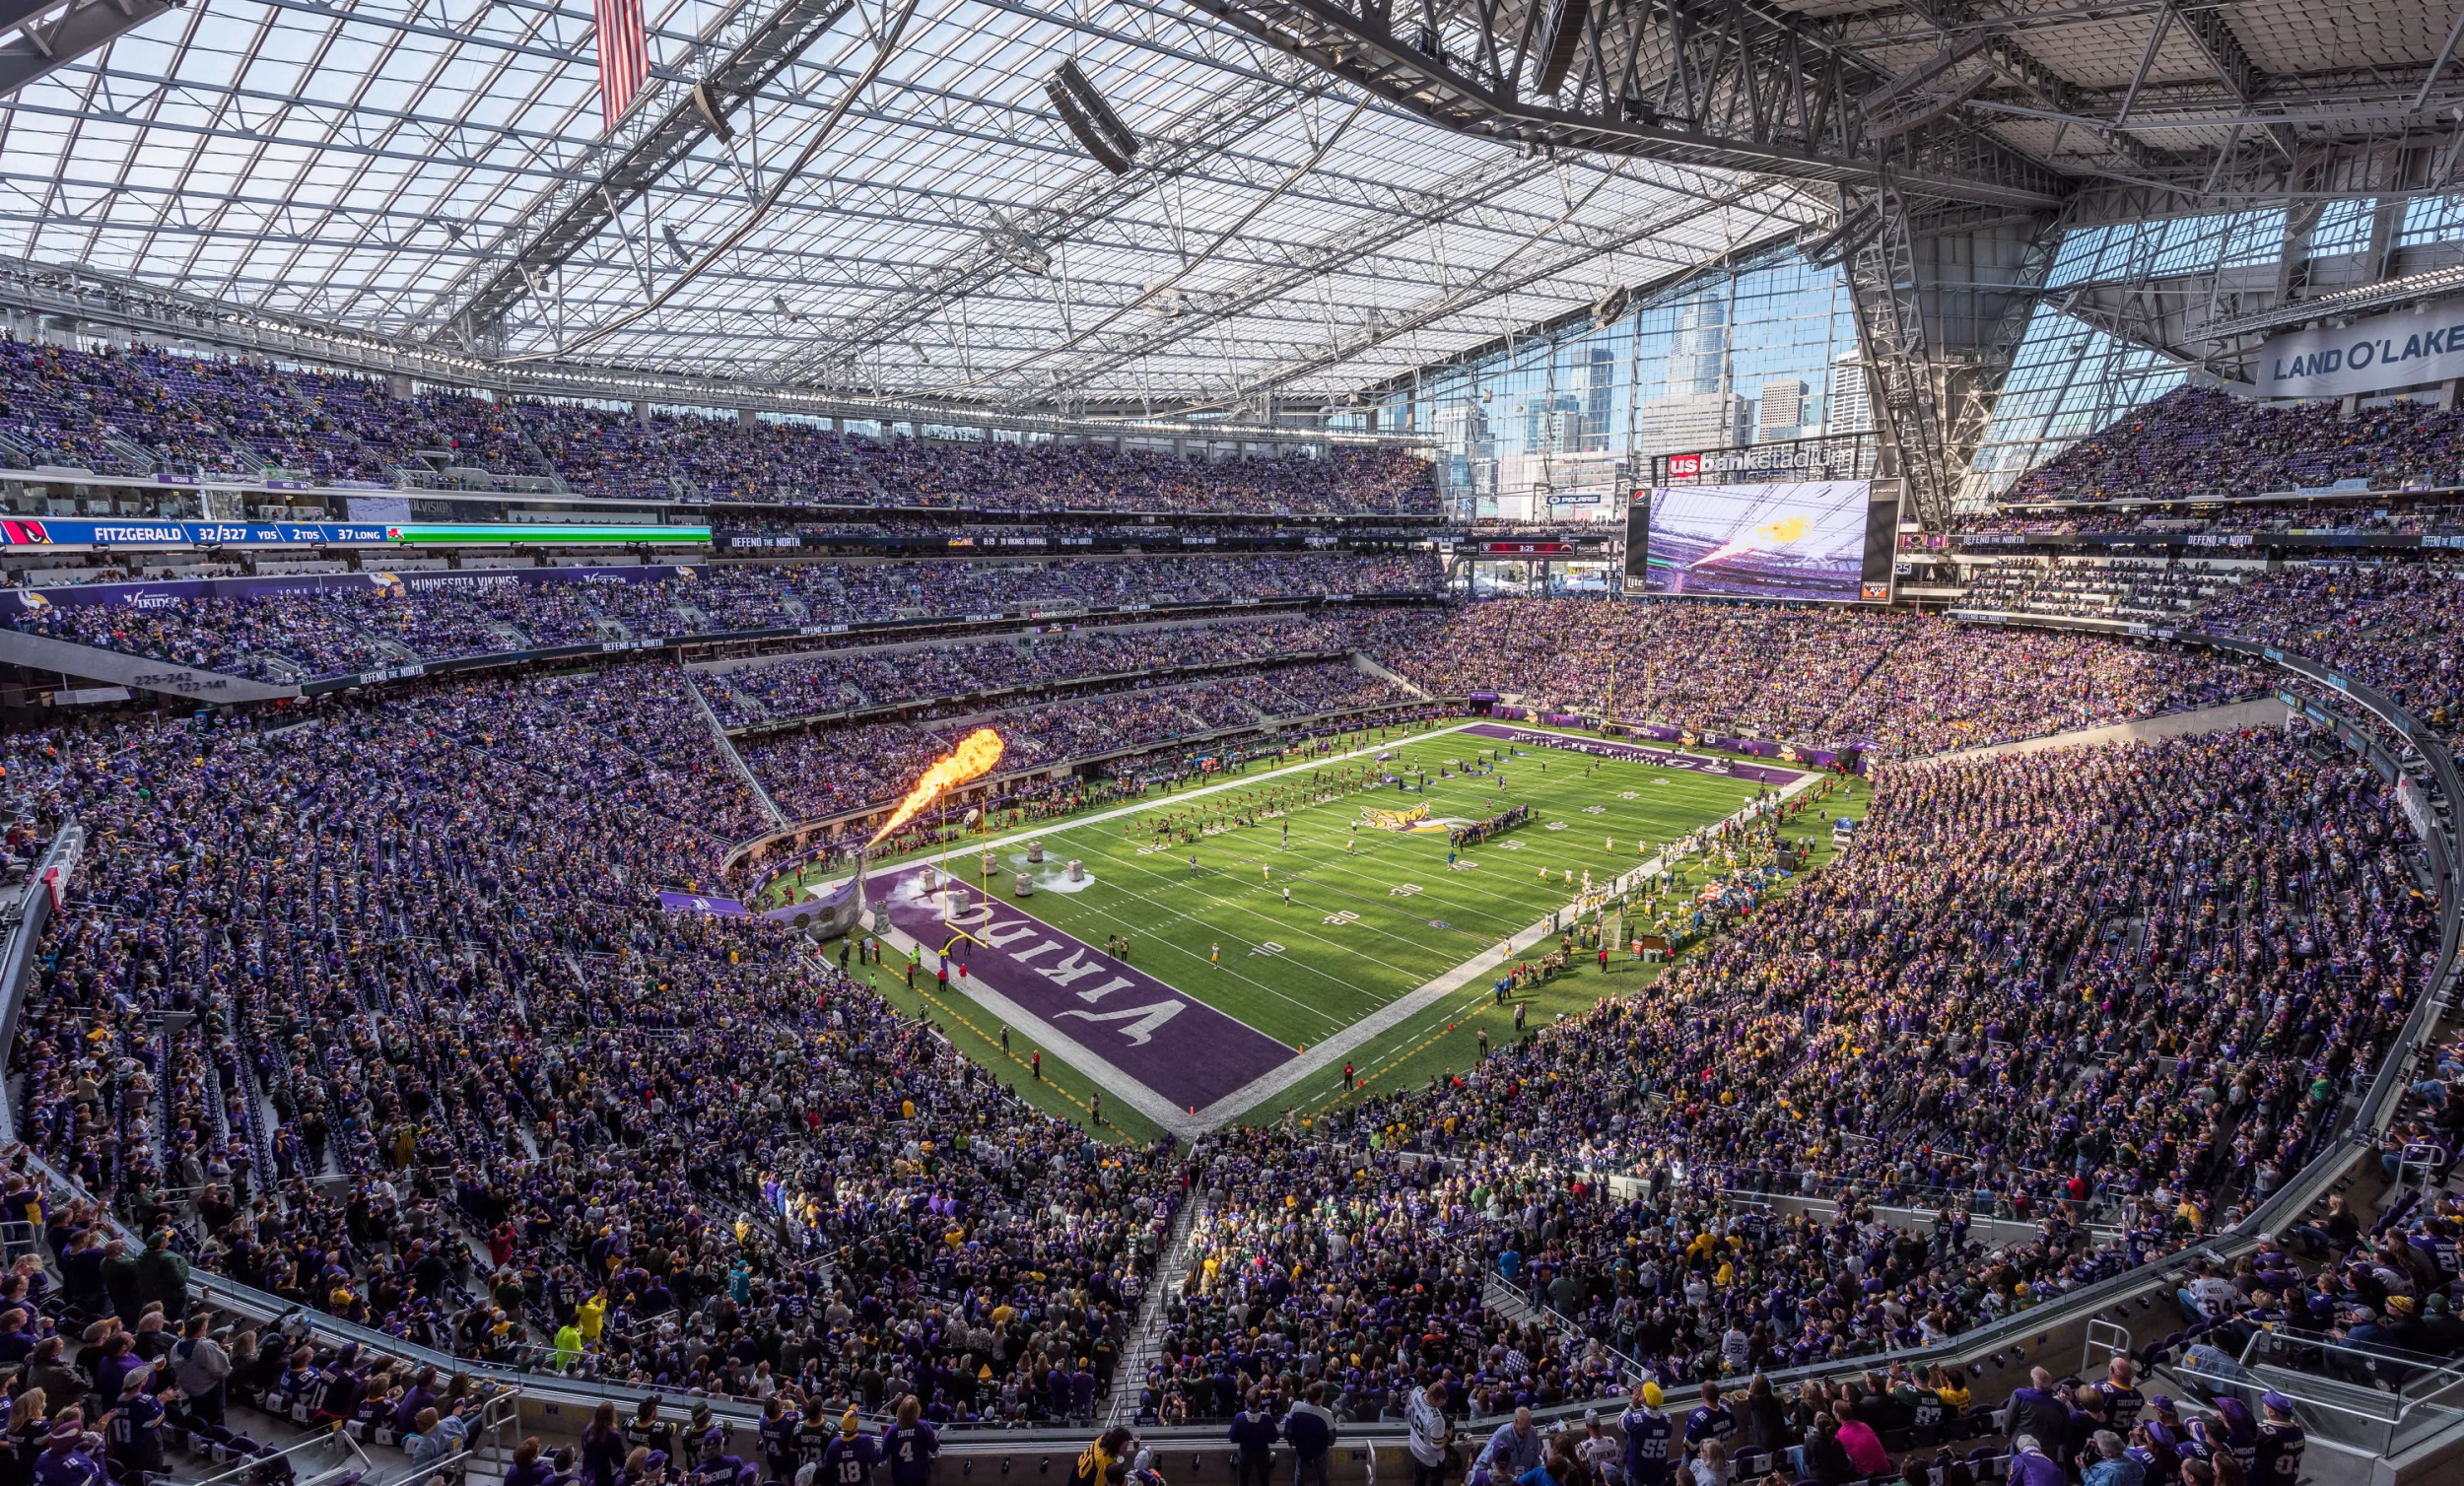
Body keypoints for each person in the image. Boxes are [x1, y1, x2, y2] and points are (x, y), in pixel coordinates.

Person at [1618, 1383, 1672, 1486]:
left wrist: (1632, 1405)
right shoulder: (1667, 1419)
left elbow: (1620, 1422)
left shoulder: (1636, 1419)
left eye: (1642, 1393)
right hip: (1658, 1472)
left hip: (1638, 1473)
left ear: (1645, 1399)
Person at [1285, 1382, 1336, 1486]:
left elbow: (1288, 1429)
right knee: (1322, 1474)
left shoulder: (1295, 1406)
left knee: (1300, 1474)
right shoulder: (1326, 1414)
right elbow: (1332, 1440)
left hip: (1302, 1448)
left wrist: (1291, 1441)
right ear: (1319, 1399)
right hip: (1320, 1450)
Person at [1476, 1408, 1542, 1486]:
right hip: (1504, 1482)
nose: (1527, 1432)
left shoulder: (1532, 1432)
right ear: (1516, 1422)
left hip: (1525, 1482)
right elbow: (1483, 1461)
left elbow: (1536, 1462)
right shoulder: (1502, 1434)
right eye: (1523, 1429)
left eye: (1528, 1428)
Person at [882, 1397, 937, 1486]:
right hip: (919, 1475)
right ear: (917, 1411)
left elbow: (882, 1460)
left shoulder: (892, 1430)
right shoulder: (924, 1426)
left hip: (899, 1476)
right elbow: (937, 1453)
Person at [1406, 1381, 1453, 1486]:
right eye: (1441, 1401)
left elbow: (1410, 1401)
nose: (1442, 1404)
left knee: (1419, 1479)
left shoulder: (1417, 1391)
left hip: (1416, 1449)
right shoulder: (1436, 1419)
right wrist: (1447, 1436)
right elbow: (1437, 1447)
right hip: (1431, 1459)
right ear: (1432, 1398)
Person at [818, 1411, 881, 1486]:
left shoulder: (834, 1443)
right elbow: (877, 1459)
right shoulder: (866, 1440)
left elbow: (827, 1467)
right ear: (856, 1424)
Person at [1230, 1389, 1278, 1486]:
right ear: (1259, 1401)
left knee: (1242, 1481)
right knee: (1265, 1481)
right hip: (1262, 1454)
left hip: (1244, 1454)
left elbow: (1232, 1438)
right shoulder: (1267, 1419)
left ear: (1246, 1401)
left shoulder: (1239, 1418)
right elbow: (1274, 1438)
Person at [2251, 1394, 2302, 1484]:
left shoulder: (2262, 1434)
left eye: (2265, 1404)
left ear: (2271, 1413)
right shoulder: (2298, 1431)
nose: (2263, 1404)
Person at [1681, 1385, 1732, 1451]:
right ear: (1718, 1395)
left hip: (1704, 1459)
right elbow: (1733, 1432)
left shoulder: (1696, 1418)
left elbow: (1688, 1449)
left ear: (1702, 1394)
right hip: (1721, 1456)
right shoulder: (1728, 1413)